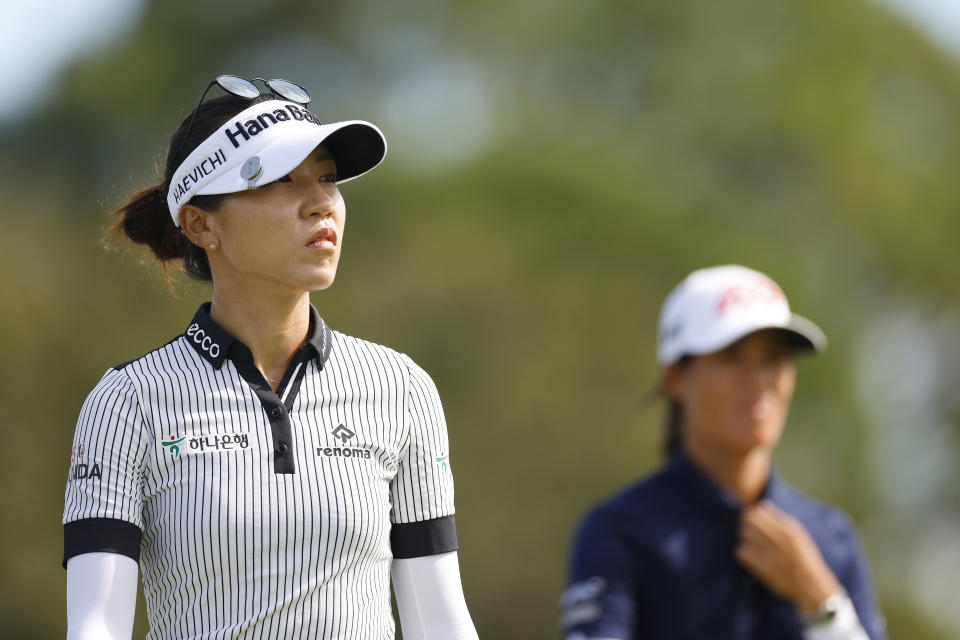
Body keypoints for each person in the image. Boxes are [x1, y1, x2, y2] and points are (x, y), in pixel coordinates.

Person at [63, 75, 478, 640]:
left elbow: (441, 620)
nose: (320, 204)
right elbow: (96, 629)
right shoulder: (128, 403)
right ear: (200, 223)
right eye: (281, 180)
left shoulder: (401, 388)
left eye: (328, 178)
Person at [561, 265, 887, 640]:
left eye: (774, 358)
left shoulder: (831, 539)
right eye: (732, 356)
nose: (759, 379)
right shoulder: (621, 532)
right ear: (676, 379)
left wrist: (820, 603)